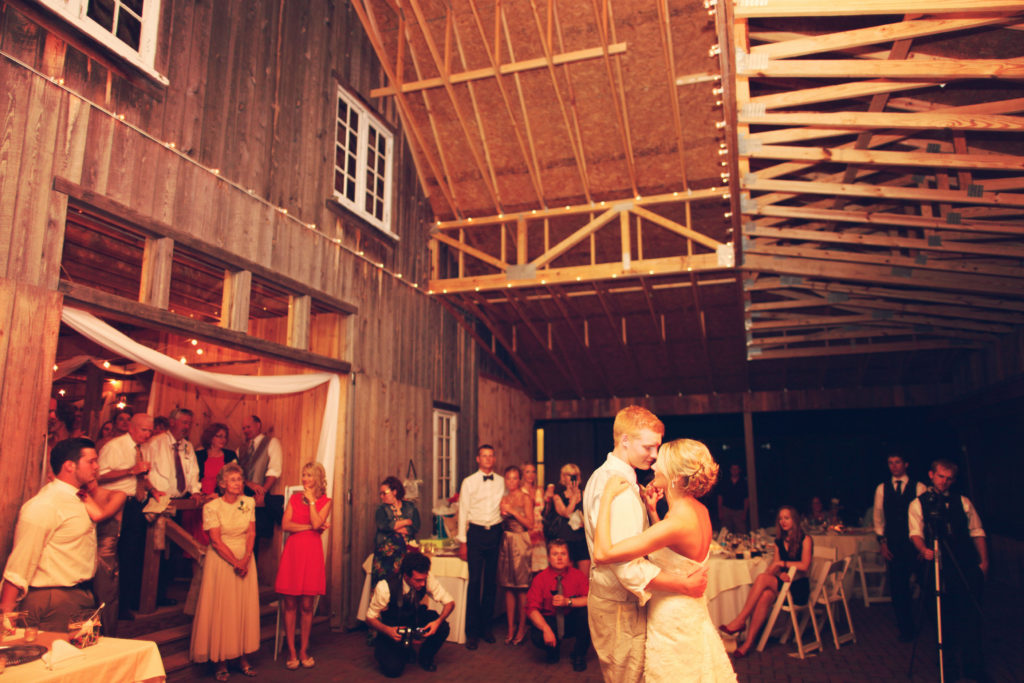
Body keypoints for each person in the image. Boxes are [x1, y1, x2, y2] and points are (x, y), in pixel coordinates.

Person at [582, 406, 709, 683]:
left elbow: (637, 545)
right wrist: (682, 585)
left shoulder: (605, 477)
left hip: (613, 600)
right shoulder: (619, 488)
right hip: (620, 605)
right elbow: (626, 566)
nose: (654, 456)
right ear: (625, 440)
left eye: (658, 448)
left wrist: (650, 512)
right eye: (649, 447)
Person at [593, 438, 735, 681]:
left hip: (673, 621)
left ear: (677, 478)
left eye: (662, 462)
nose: (654, 465)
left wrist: (605, 499)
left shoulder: (675, 523)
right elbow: (676, 551)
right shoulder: (697, 511)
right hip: (691, 612)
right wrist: (653, 512)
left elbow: (602, 554)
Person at [0, 439, 99, 631]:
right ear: (69, 466)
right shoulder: (46, 504)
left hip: (78, 595)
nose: (97, 467)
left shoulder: (78, 498)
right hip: (53, 599)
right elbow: (20, 561)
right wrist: (6, 613)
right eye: (91, 461)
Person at [909, 459, 989, 682]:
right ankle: (949, 671)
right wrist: (923, 548)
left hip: (966, 566)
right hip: (939, 569)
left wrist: (984, 562)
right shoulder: (918, 503)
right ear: (931, 475)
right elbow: (915, 532)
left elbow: (977, 531)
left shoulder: (963, 502)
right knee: (944, 622)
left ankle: (974, 669)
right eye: (941, 476)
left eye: (949, 478)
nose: (944, 482)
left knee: (971, 619)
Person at [190, 463, 259, 681]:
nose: (238, 484)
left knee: (242, 607)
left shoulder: (248, 502)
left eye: (239, 479)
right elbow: (216, 541)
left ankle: (243, 657)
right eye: (233, 480)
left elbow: (251, 533)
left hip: (246, 559)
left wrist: (246, 558)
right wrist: (235, 562)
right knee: (223, 608)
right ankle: (220, 660)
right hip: (221, 562)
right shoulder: (212, 507)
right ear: (222, 484)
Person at [720, 505, 812, 657]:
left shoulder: (805, 539)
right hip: (785, 584)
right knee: (765, 596)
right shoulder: (779, 541)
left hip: (798, 588)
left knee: (762, 578)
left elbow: (804, 565)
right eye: (781, 518)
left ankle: (741, 619)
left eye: (787, 518)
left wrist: (780, 565)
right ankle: (749, 643)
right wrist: (780, 571)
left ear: (794, 520)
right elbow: (776, 567)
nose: (783, 521)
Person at [142, 407, 203, 607]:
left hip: (179, 503)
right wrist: (152, 490)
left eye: (190, 423)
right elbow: (145, 470)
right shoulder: (156, 443)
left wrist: (195, 490)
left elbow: (193, 471)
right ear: (172, 422)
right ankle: (149, 596)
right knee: (154, 549)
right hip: (157, 501)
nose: (187, 427)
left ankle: (163, 593)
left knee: (172, 551)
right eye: (184, 422)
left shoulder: (187, 447)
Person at [98, 413, 155, 619]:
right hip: (118, 503)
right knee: (117, 554)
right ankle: (112, 607)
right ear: (131, 427)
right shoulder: (114, 446)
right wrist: (130, 470)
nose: (147, 434)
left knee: (133, 554)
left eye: (150, 430)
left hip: (137, 503)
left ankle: (127, 603)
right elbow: (99, 475)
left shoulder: (142, 448)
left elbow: (140, 476)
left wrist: (153, 489)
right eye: (144, 430)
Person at [276, 462, 332, 670]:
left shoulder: (326, 501)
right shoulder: (292, 498)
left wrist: (311, 503)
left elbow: (318, 523)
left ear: (318, 479)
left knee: (307, 605)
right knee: (290, 604)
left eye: (309, 476)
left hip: (311, 553)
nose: (305, 479)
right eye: (304, 475)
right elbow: (286, 525)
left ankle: (303, 650)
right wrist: (309, 527)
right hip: (293, 552)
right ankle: (291, 651)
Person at [365, 552, 455, 677]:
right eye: (418, 580)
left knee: (443, 626)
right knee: (393, 670)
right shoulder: (385, 587)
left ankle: (425, 657)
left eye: (424, 579)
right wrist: (387, 630)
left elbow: (450, 603)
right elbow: (369, 618)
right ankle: (400, 650)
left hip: (414, 618)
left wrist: (437, 622)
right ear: (406, 576)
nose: (423, 584)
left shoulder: (426, 578)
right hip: (393, 627)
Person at [872, 452, 926, 642]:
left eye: (897, 462)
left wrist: (922, 546)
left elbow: (924, 518)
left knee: (925, 585)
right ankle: (906, 629)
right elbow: (878, 517)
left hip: (914, 543)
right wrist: (882, 542)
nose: (894, 466)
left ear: (906, 464)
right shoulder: (882, 488)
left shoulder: (919, 487)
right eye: (890, 463)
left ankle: (929, 626)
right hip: (894, 543)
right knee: (898, 588)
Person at [456, 444, 504, 649]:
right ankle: (471, 631)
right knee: (474, 583)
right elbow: (463, 511)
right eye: (484, 456)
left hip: (495, 532)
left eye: (490, 456)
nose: (487, 459)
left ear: (494, 459)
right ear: (478, 459)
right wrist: (462, 542)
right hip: (474, 534)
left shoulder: (502, 481)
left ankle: (487, 627)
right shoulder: (468, 482)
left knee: (491, 583)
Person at [526, 539, 591, 671]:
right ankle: (552, 650)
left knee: (586, 613)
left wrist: (568, 601)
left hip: (570, 619)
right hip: (551, 620)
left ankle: (578, 655)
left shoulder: (578, 576)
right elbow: (531, 609)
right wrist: (546, 629)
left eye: (563, 554)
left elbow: (591, 599)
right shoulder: (540, 578)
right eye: (555, 554)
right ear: (549, 558)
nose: (560, 558)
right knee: (537, 634)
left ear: (568, 558)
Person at [498, 465, 534, 645]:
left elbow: (530, 523)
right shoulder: (504, 497)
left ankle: (522, 627)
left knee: (521, 587)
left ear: (519, 480)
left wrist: (512, 511)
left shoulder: (525, 497)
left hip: (521, 541)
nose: (511, 482)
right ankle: (510, 628)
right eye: (508, 478)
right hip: (506, 541)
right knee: (508, 586)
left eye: (514, 478)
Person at [239, 415, 283, 549]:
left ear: (258, 425)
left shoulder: (272, 442)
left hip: (260, 495)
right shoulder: (241, 448)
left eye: (249, 426)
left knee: (255, 537)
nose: (246, 430)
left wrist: (262, 493)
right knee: (242, 536)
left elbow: (274, 471)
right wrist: (247, 484)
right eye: (244, 428)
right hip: (242, 497)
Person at [191, 422, 238, 544]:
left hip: (220, 499)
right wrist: (200, 495)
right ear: (210, 437)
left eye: (225, 436)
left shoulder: (230, 455)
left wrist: (219, 495)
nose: (223, 439)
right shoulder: (199, 455)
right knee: (196, 538)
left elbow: (235, 478)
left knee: (217, 537)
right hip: (200, 500)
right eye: (219, 436)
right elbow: (192, 477)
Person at [372, 476, 421, 587]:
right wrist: (405, 522)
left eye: (384, 493)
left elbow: (415, 526)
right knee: (384, 587)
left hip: (406, 552)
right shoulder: (381, 509)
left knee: (403, 587)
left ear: (394, 492)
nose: (381, 496)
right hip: (385, 556)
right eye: (380, 494)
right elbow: (383, 526)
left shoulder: (410, 507)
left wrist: (396, 527)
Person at [552, 463, 590, 577]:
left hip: (582, 539)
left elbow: (591, 514)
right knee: (567, 577)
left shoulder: (585, 494)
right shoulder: (558, 496)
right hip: (566, 540)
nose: (572, 478)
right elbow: (566, 513)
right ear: (563, 477)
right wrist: (573, 496)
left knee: (585, 577)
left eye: (575, 475)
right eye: (569, 475)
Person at [521, 463, 548, 572]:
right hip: (526, 529)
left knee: (540, 566)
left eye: (533, 472)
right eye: (527, 472)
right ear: (523, 474)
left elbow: (544, 512)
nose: (531, 475)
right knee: (526, 564)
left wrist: (548, 501)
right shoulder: (520, 491)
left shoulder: (539, 490)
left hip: (539, 529)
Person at [717, 464, 749, 534]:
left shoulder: (743, 482)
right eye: (733, 469)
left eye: (736, 469)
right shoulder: (725, 481)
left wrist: (744, 513)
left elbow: (746, 499)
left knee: (741, 531)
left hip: (739, 511)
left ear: (739, 470)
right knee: (725, 531)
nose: (734, 471)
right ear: (730, 470)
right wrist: (720, 511)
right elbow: (720, 496)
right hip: (726, 509)